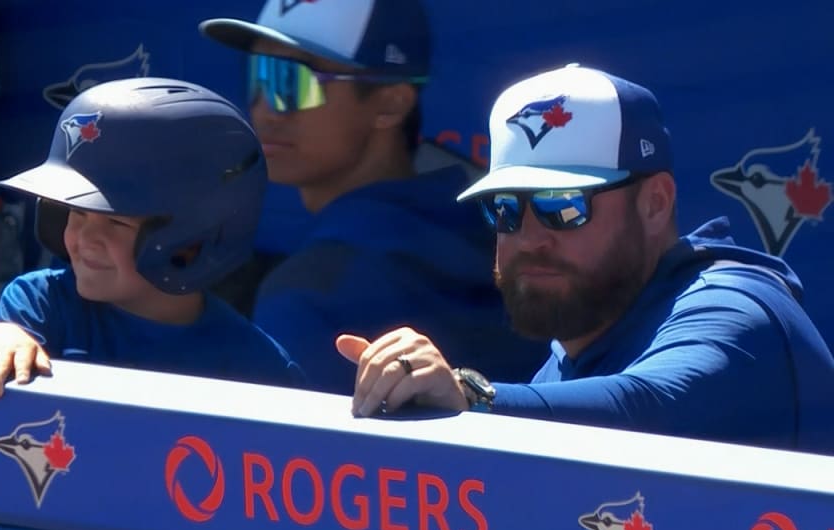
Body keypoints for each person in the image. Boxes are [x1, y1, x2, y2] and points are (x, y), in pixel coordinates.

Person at [0, 77, 303, 530]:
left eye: (115, 221)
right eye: (73, 213)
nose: (82, 239)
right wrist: (2, 337)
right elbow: (3, 343)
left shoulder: (258, 367)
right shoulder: (41, 303)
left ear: (195, 236)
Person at [337, 64, 834, 455]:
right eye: (505, 209)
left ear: (656, 203)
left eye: (564, 204)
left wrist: (472, 398)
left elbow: (649, 407)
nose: (529, 238)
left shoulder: (737, 310)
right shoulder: (564, 362)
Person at [199, 0, 548, 394]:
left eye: (289, 81)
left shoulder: (309, 290)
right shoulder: (496, 236)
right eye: (257, 77)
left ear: (390, 103)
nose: (264, 110)